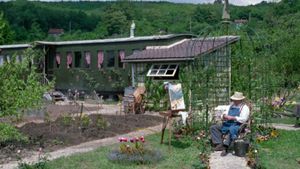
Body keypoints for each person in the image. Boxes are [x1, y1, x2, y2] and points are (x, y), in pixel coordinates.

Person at [210, 91, 250, 156]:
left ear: (240, 100)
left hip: (238, 124)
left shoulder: (244, 108)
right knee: (214, 127)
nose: (234, 101)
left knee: (231, 129)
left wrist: (232, 118)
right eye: (234, 99)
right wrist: (223, 116)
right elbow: (224, 113)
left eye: (236, 100)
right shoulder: (231, 106)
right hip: (227, 123)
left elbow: (244, 119)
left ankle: (225, 147)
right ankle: (219, 144)